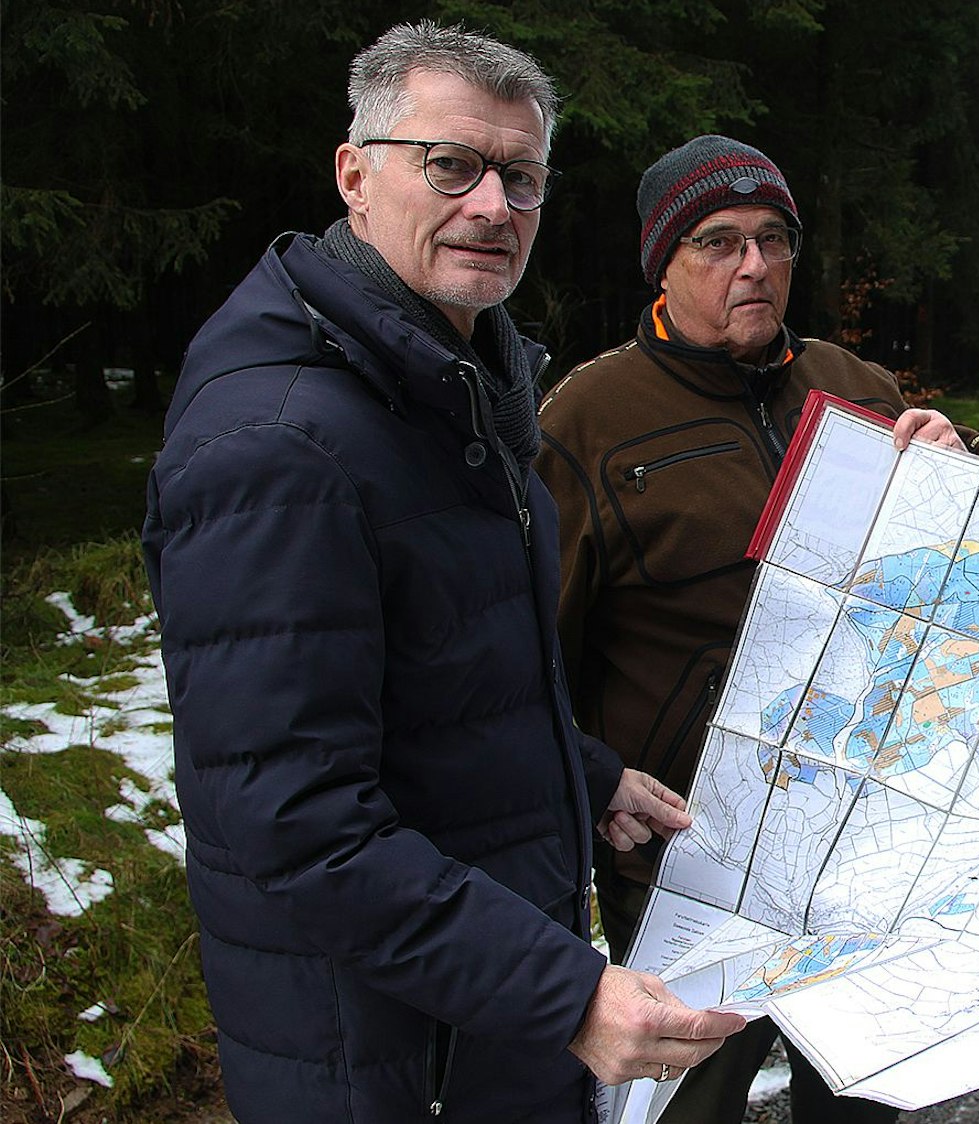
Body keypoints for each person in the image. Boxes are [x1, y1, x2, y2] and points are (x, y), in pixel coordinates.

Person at [142, 22, 744, 1121]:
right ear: (354, 175)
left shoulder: (450, 389)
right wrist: (563, 993)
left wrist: (581, 773)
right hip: (383, 1061)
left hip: (477, 1027)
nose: (492, 206)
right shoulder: (281, 444)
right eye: (451, 165)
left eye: (522, 177)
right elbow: (294, 821)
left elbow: (439, 678)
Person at [535, 134, 979, 1122]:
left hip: (864, 842)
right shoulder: (585, 420)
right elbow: (529, 653)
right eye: (718, 242)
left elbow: (970, 582)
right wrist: (588, 778)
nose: (753, 265)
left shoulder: (858, 387)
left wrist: (967, 468)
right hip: (689, 859)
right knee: (682, 1105)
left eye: (772, 239)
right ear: (663, 263)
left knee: (864, 1096)